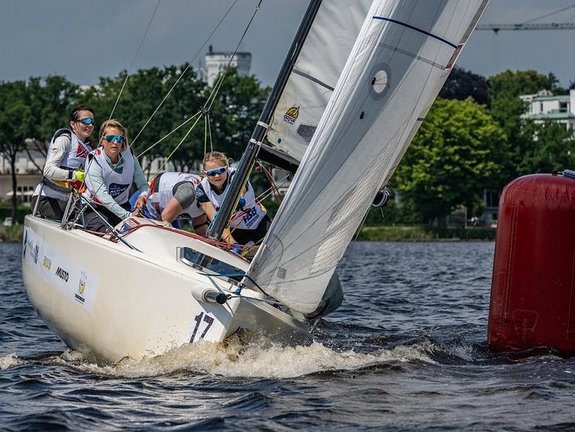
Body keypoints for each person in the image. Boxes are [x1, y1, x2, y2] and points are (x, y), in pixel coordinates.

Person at [82, 119, 149, 232]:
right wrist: (128, 216)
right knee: (105, 233)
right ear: (102, 141)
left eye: (119, 139)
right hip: (95, 207)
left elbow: (143, 185)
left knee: (137, 233)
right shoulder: (95, 159)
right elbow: (103, 197)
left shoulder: (130, 156)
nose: (115, 142)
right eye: (110, 138)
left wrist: (143, 197)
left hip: (121, 206)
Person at [31, 105, 96, 220]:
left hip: (71, 202)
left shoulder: (90, 149)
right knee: (82, 218)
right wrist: (75, 175)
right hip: (47, 200)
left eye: (92, 121)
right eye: (85, 121)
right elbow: (48, 170)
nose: (90, 125)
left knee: (95, 216)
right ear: (72, 124)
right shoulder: (65, 139)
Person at [195, 151, 271, 245]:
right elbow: (217, 222)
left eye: (221, 170)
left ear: (226, 168)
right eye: (212, 173)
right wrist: (233, 244)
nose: (217, 175)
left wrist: (239, 199)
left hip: (260, 221)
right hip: (238, 232)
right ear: (205, 173)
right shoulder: (201, 190)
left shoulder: (236, 175)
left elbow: (241, 189)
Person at [133, 171, 208, 235]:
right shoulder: (189, 192)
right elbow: (164, 220)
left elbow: (200, 225)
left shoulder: (209, 199)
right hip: (144, 205)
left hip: (169, 214)